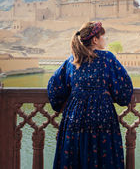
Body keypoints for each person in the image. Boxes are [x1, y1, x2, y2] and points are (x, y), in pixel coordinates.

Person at [47, 21, 134, 169]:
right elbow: (124, 90)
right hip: (102, 117)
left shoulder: (72, 60)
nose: (105, 40)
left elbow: (54, 87)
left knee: (75, 159)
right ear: (95, 40)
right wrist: (107, 94)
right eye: (103, 37)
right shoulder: (107, 58)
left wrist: (72, 97)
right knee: (104, 158)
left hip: (75, 118)